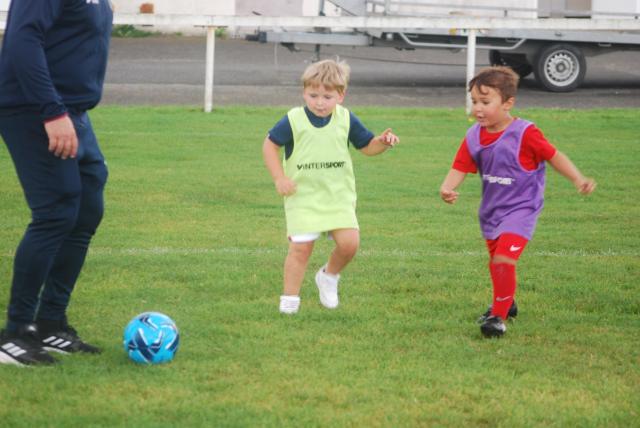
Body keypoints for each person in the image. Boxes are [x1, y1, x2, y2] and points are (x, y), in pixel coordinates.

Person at [439, 66, 596, 338]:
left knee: (503, 260)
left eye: (485, 102)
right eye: (474, 101)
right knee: (496, 263)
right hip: (491, 212)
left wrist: (577, 178)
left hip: (522, 210)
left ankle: (497, 318)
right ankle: (506, 302)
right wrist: (447, 188)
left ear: (508, 103)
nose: (478, 108)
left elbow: (553, 155)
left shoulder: (526, 133)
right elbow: (460, 166)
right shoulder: (474, 135)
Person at [0, 0, 113, 365]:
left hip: (74, 111)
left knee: (85, 211)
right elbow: (22, 41)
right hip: (35, 109)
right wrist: (52, 111)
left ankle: (50, 323)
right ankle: (16, 333)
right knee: (55, 212)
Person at [263, 59, 399, 314]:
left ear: (341, 96)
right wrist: (279, 178)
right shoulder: (293, 119)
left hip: (338, 195)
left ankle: (328, 276)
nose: (319, 102)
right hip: (302, 196)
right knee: (301, 248)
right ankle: (289, 301)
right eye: (313, 95)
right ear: (304, 92)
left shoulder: (346, 119)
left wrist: (383, 141)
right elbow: (270, 144)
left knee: (350, 244)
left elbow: (367, 146)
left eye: (327, 96)